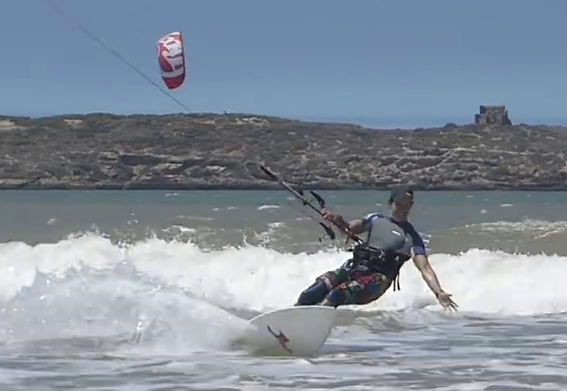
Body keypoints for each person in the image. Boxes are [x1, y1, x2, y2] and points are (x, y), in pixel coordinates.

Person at [294, 186, 458, 311]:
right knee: (317, 288)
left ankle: (311, 325)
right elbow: (349, 228)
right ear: (391, 203)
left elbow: (425, 268)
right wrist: (337, 220)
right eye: (399, 204)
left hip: (376, 281)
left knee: (337, 294)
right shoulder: (375, 219)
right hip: (353, 269)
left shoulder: (411, 238)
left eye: (407, 205)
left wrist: (439, 292)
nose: (403, 208)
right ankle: (287, 320)